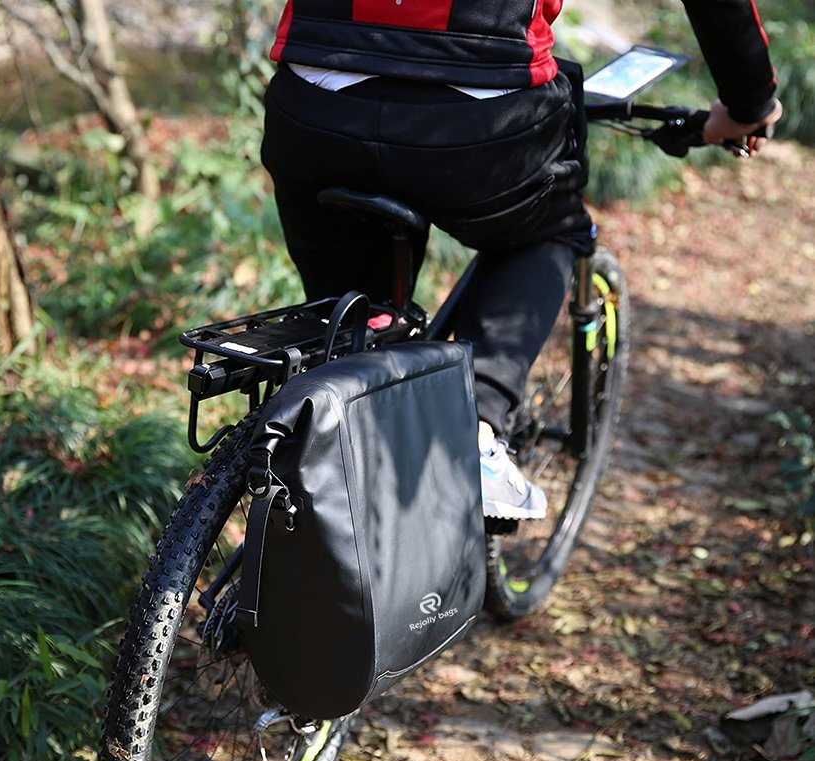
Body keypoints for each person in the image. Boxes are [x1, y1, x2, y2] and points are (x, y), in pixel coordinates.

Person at [260, 0, 783, 520]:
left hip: (313, 106)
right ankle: (476, 428)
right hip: (482, 115)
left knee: (352, 326)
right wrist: (749, 103)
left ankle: (305, 481)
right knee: (552, 230)